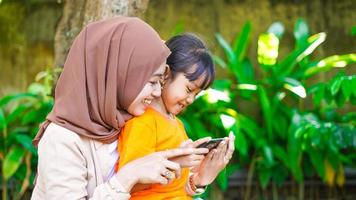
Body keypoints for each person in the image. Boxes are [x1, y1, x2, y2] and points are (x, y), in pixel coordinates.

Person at [31, 17, 208, 200]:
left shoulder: (123, 121)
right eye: (152, 82)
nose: (157, 92)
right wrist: (128, 176)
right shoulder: (62, 139)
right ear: (120, 74)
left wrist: (196, 177)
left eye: (160, 82)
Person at [117, 33, 235, 199]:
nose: (191, 99)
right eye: (189, 89)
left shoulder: (176, 123)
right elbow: (128, 183)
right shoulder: (144, 122)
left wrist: (203, 174)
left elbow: (177, 187)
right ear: (165, 74)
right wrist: (174, 163)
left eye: (197, 94)